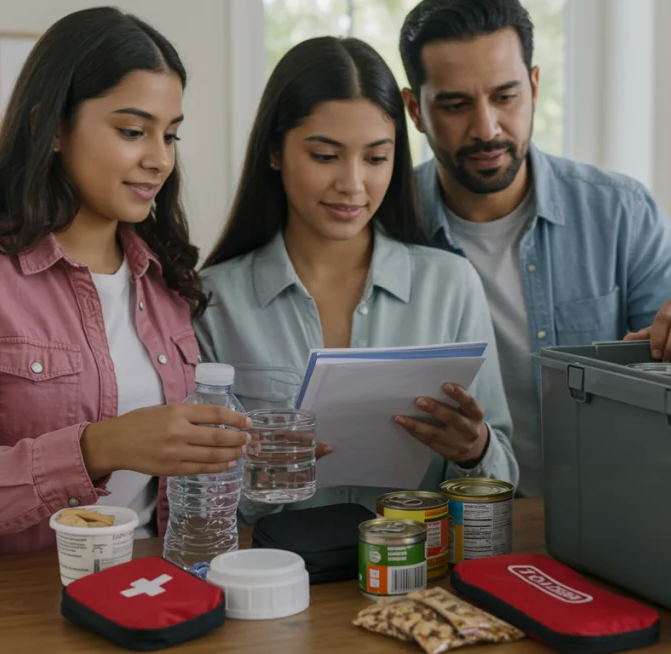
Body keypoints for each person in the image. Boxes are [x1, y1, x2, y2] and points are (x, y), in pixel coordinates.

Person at [0, 7, 249, 566]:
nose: (158, 159)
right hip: (7, 608)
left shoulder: (167, 279)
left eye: (170, 135)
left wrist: (251, 456)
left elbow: (181, 482)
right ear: (53, 127)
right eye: (133, 131)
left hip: (153, 586)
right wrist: (99, 447)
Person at [399, 0, 671, 496]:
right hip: (449, 520)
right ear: (416, 111)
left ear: (534, 87)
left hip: (610, 509)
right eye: (455, 106)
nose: (487, 128)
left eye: (505, 96)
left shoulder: (619, 212)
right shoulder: (387, 227)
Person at [195, 36, 519, 522]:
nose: (352, 184)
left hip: (417, 571)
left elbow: (501, 482)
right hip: (275, 579)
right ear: (274, 152)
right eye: (325, 156)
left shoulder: (450, 285)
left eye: (375, 157)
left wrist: (476, 450)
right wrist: (263, 473)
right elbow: (195, 494)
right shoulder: (213, 301)